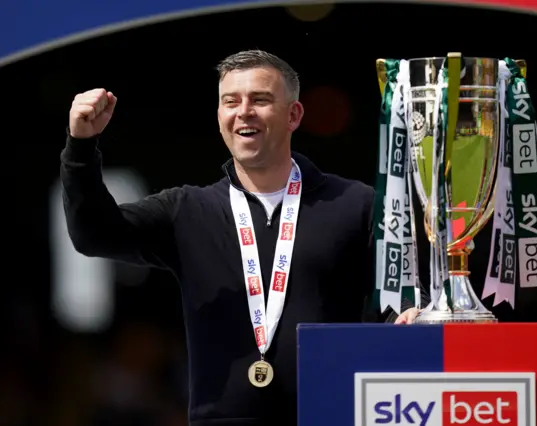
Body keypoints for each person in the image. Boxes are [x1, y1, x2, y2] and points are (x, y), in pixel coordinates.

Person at [60, 49, 427, 426]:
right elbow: (94, 235)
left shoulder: (357, 205)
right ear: (219, 116)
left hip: (333, 415)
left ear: (293, 115)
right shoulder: (187, 211)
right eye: (230, 101)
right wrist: (81, 147)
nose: (244, 111)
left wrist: (411, 316)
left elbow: (399, 303)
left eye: (261, 99)